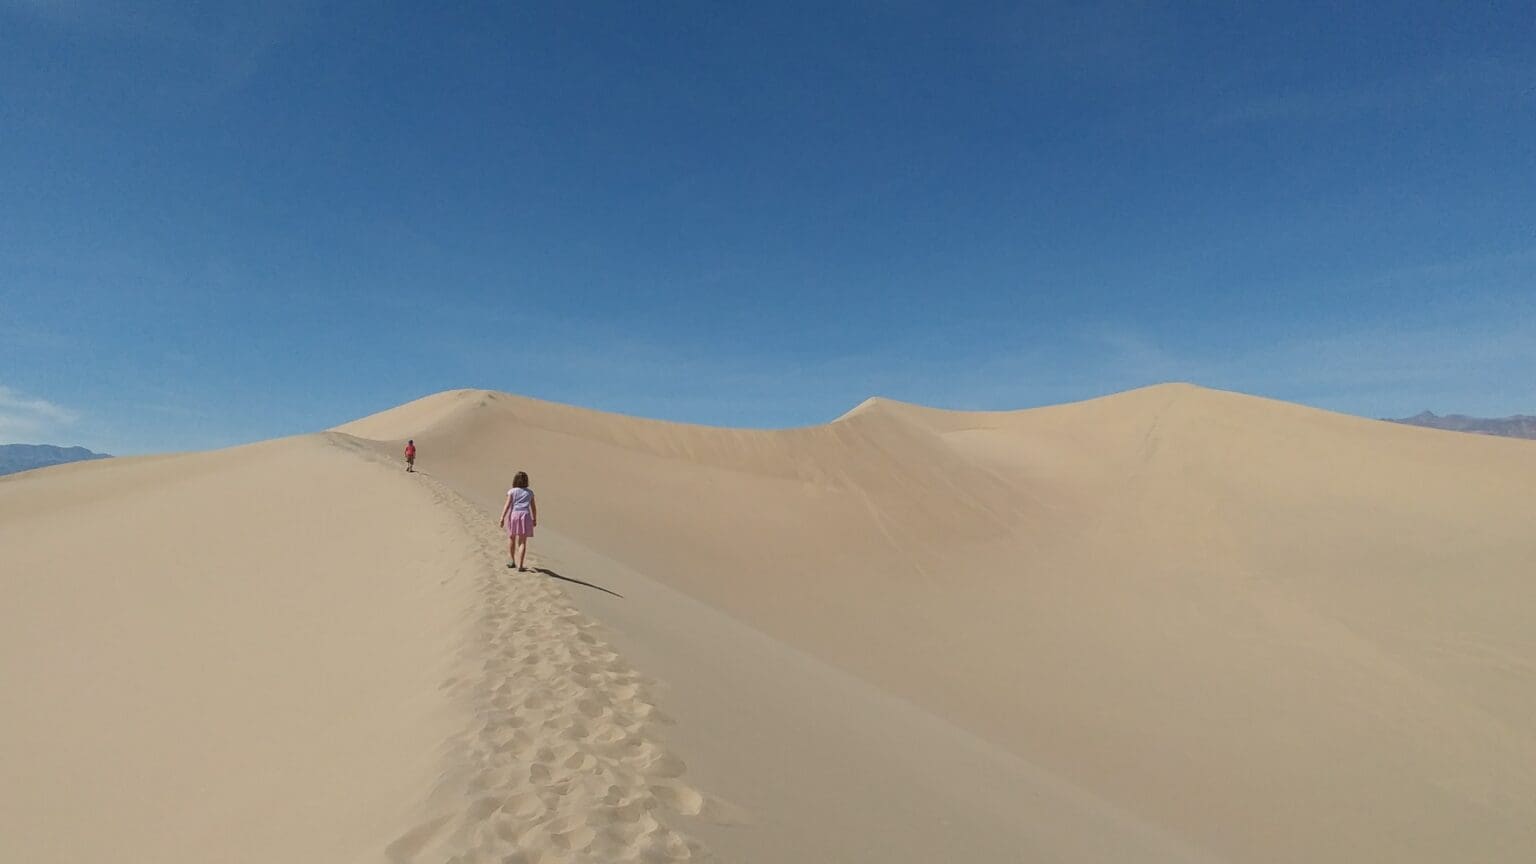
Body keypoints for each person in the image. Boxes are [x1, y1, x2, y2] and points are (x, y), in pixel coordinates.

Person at [499, 471, 537, 571]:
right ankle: (520, 565)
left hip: (514, 515)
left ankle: (512, 561)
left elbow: (507, 505)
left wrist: (502, 517)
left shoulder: (512, 491)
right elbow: (533, 507)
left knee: (512, 537)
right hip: (526, 515)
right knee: (523, 541)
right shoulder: (530, 492)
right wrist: (534, 519)